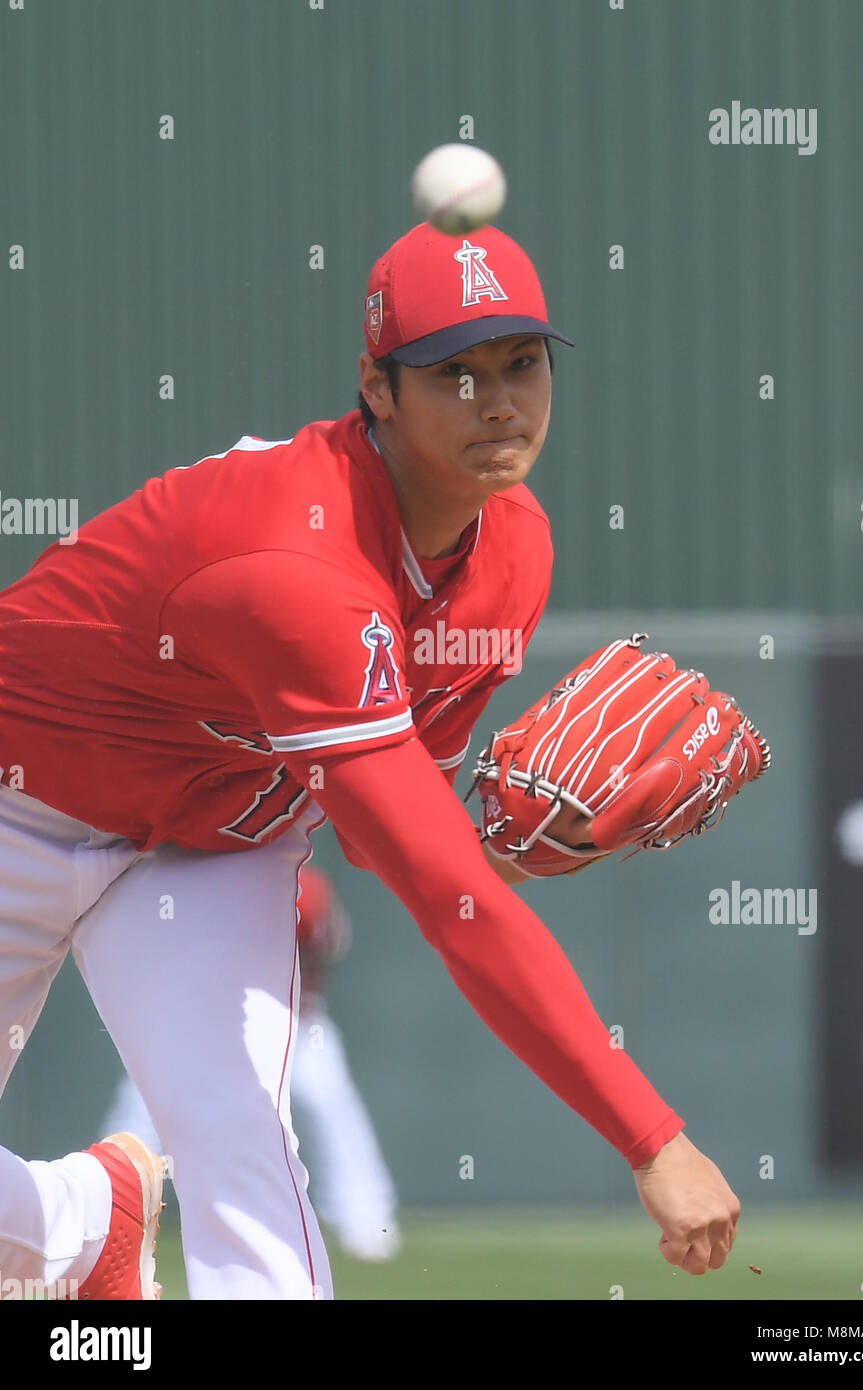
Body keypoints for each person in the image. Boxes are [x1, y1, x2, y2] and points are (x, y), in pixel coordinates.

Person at [0, 222, 739, 1300]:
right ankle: (79, 1224)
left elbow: (390, 835)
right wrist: (652, 1137)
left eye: (522, 362)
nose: (498, 400)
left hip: (211, 845)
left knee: (237, 1141)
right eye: (453, 372)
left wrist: (497, 848)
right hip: (25, 803)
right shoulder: (295, 563)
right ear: (376, 389)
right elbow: (452, 903)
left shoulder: (513, 551)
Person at [99, 862, 402, 1263]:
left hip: (289, 1016)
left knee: (328, 1099)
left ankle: (365, 1217)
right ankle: (104, 1210)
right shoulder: (192, 885)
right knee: (140, 1107)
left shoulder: (304, 889)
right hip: (197, 1017)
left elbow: (319, 961)